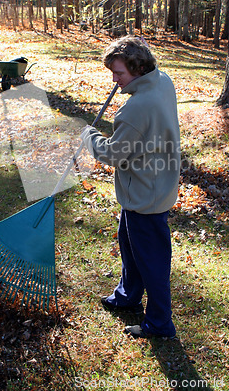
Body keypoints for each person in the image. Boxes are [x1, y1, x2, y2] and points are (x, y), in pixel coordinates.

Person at [80, 35, 180, 339]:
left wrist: (89, 137)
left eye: (119, 73)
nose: (115, 79)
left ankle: (160, 324)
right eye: (113, 72)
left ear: (137, 69)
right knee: (129, 244)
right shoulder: (162, 81)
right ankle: (128, 295)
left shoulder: (136, 109)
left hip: (145, 193)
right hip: (156, 182)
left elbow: (111, 154)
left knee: (152, 263)